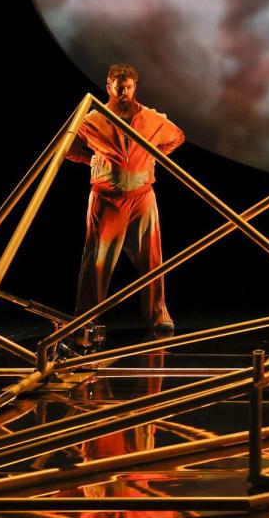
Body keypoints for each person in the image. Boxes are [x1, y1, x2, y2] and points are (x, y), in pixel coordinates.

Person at [66, 64, 184, 337]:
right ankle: (85, 320)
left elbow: (177, 136)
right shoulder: (95, 119)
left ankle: (158, 316)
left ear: (134, 88)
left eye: (128, 88)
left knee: (153, 260)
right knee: (97, 262)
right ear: (109, 87)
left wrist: (154, 156)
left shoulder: (149, 117)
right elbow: (67, 144)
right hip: (107, 199)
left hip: (142, 198)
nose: (124, 93)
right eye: (119, 88)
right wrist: (89, 158)